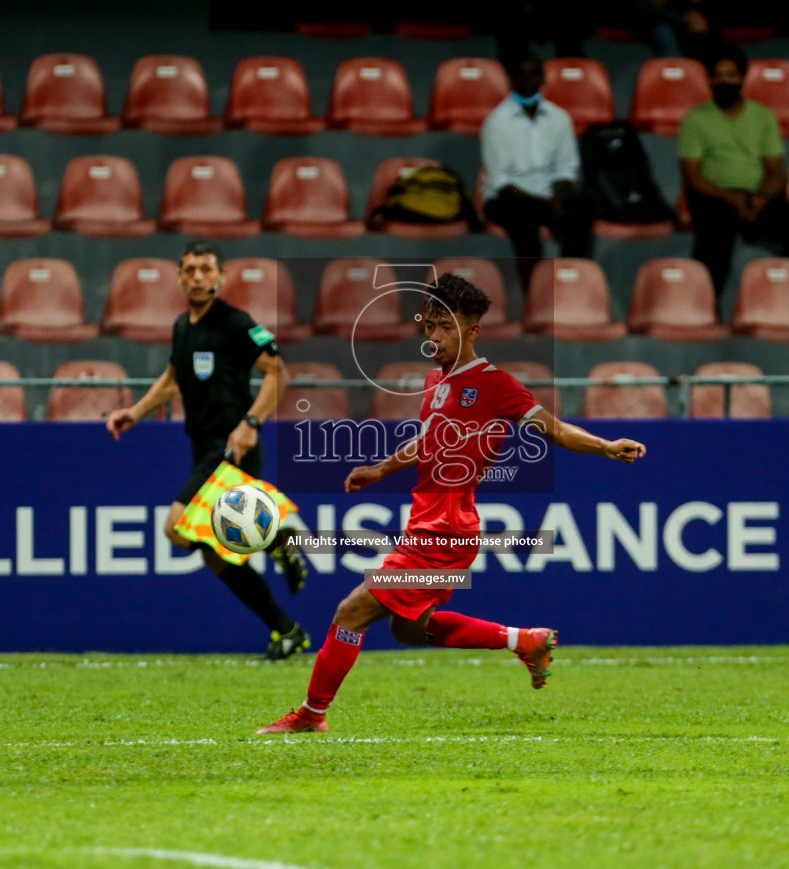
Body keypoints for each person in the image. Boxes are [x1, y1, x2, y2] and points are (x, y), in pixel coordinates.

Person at [256, 272, 647, 734]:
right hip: (434, 527)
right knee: (408, 629)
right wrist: (382, 469)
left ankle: (311, 715)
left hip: (444, 532)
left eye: (446, 327)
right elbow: (429, 441)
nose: (434, 337)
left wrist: (603, 446)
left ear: (473, 330)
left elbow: (556, 429)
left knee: (351, 611)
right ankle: (526, 640)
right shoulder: (435, 381)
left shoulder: (497, 384)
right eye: (429, 326)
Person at [106, 241, 312, 660]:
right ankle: (286, 627)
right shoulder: (182, 325)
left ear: (220, 276)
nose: (198, 277)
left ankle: (277, 537)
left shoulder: (238, 323)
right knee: (211, 552)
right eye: (190, 270)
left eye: (206, 269)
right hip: (204, 446)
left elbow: (278, 371)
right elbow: (172, 377)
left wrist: (252, 423)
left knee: (176, 528)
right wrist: (136, 412)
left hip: (233, 445)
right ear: (179, 277)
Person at [678, 44, 789, 298]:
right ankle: (705, 304)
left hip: (757, 195)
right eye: (717, 75)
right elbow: (692, 176)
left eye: (730, 75)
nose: (723, 81)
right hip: (714, 197)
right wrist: (732, 200)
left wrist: (761, 199)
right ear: (709, 80)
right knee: (715, 235)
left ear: (742, 78)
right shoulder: (695, 119)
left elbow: (775, 171)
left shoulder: (764, 117)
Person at [480, 54, 594, 287]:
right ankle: (534, 294)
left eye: (533, 74)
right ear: (511, 80)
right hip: (509, 198)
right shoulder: (496, 122)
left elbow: (566, 169)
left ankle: (571, 286)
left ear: (543, 79)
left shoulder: (559, 118)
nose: (528, 80)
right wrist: (543, 204)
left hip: (550, 195)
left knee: (582, 210)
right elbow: (500, 182)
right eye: (521, 74)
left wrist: (557, 197)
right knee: (524, 222)